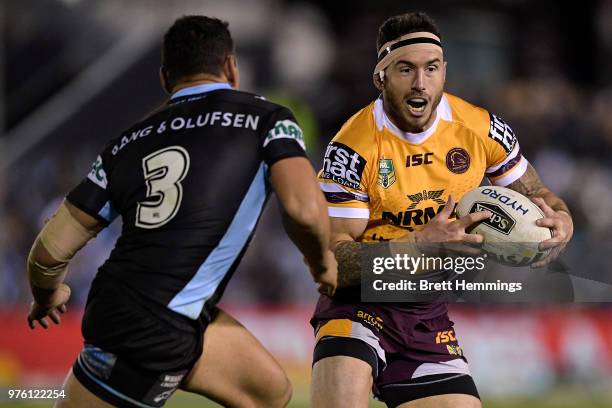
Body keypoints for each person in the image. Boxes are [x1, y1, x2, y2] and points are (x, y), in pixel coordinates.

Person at [26, 15, 337, 408]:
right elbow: (306, 211)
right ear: (230, 66)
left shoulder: (127, 143)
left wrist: (47, 295)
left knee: (267, 392)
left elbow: (49, 250)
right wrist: (322, 265)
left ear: (164, 77)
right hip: (151, 327)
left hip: (155, 310)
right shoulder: (268, 119)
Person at [310, 12, 573, 408]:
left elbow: (540, 195)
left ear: (444, 72)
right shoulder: (352, 149)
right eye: (406, 69)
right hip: (358, 304)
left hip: (425, 313)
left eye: (431, 68)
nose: (420, 83)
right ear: (380, 77)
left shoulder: (480, 129)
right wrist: (418, 245)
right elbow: (331, 265)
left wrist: (560, 221)